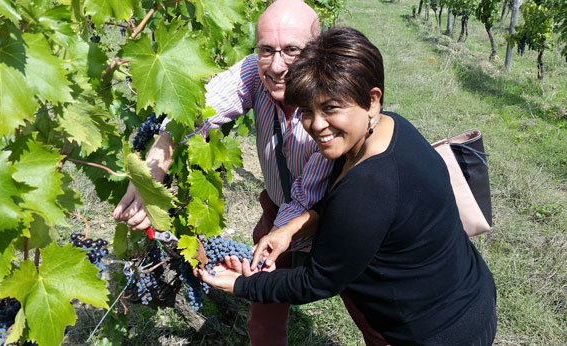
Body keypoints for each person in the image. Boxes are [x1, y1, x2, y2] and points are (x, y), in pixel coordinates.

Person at [196, 27, 498, 345]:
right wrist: (292, 228)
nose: (317, 125)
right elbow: (345, 207)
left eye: (331, 108)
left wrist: (241, 285)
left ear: (371, 100)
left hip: (438, 332)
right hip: (466, 292)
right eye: (307, 112)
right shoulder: (388, 128)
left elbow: (319, 281)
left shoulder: (370, 186)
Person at [113, 1, 388, 345]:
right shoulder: (253, 74)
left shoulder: (330, 109)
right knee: (264, 323)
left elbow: (308, 195)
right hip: (280, 215)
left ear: (318, 53)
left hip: (341, 220)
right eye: (265, 50)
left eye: (291, 50)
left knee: (377, 321)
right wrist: (151, 173)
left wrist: (256, 259)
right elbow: (195, 113)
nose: (276, 65)